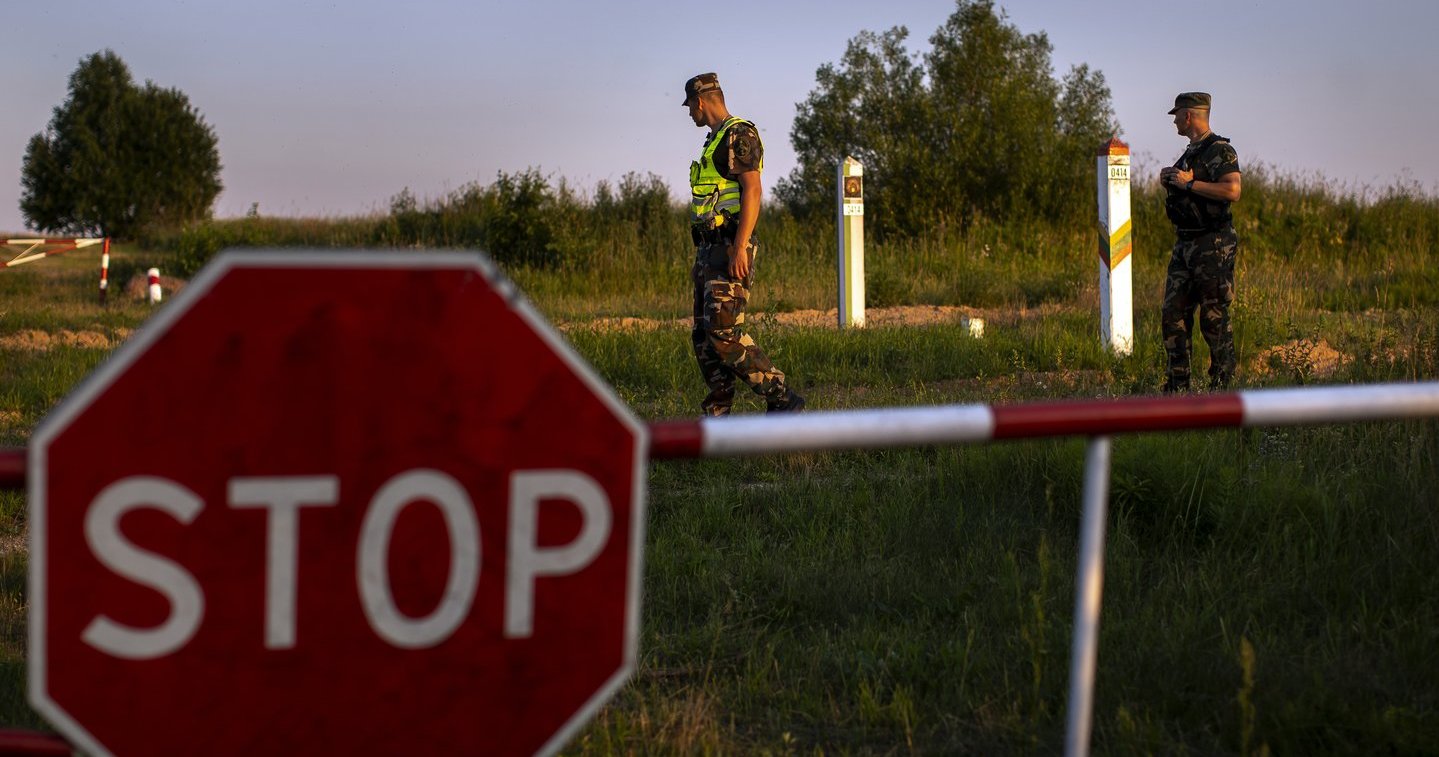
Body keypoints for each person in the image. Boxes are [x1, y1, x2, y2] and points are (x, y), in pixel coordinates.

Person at [682, 72, 804, 416]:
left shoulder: (738, 134)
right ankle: (718, 414)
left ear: (701, 101)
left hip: (730, 247)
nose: (689, 113)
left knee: (724, 334)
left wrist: (740, 246)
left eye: (690, 106)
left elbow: (753, 189)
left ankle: (781, 396)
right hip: (709, 250)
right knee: (704, 337)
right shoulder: (714, 139)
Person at [1158, 92, 1243, 392]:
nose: (1175, 121)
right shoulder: (1190, 153)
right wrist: (1171, 178)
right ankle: (1177, 385)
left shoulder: (1220, 150)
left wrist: (1190, 183)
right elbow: (1184, 184)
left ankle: (1223, 386)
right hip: (1185, 244)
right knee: (1173, 314)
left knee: (1213, 317)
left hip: (1213, 244)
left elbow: (1232, 190)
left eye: (1177, 115)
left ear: (1190, 115)